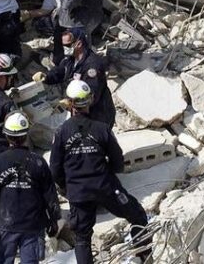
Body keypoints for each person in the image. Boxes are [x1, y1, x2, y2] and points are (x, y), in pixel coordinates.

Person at [50, 80, 150, 264]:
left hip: (78, 193)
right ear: (90, 101)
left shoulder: (61, 132)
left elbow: (55, 168)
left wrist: (67, 187)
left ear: (70, 104)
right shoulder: (102, 129)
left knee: (82, 238)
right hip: (105, 187)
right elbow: (118, 162)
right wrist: (107, 176)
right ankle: (144, 256)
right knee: (137, 215)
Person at [0, 111, 61, 264]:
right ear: (26, 135)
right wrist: (54, 219)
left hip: (5, 223)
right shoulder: (38, 162)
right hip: (32, 225)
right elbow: (49, 194)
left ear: (6, 135)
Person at [33, 28, 114, 127]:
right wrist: (46, 77)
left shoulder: (93, 65)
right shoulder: (70, 60)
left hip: (98, 115)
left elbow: (92, 92)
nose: (64, 48)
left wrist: (70, 102)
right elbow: (60, 71)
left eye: (67, 45)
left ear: (78, 44)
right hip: (81, 113)